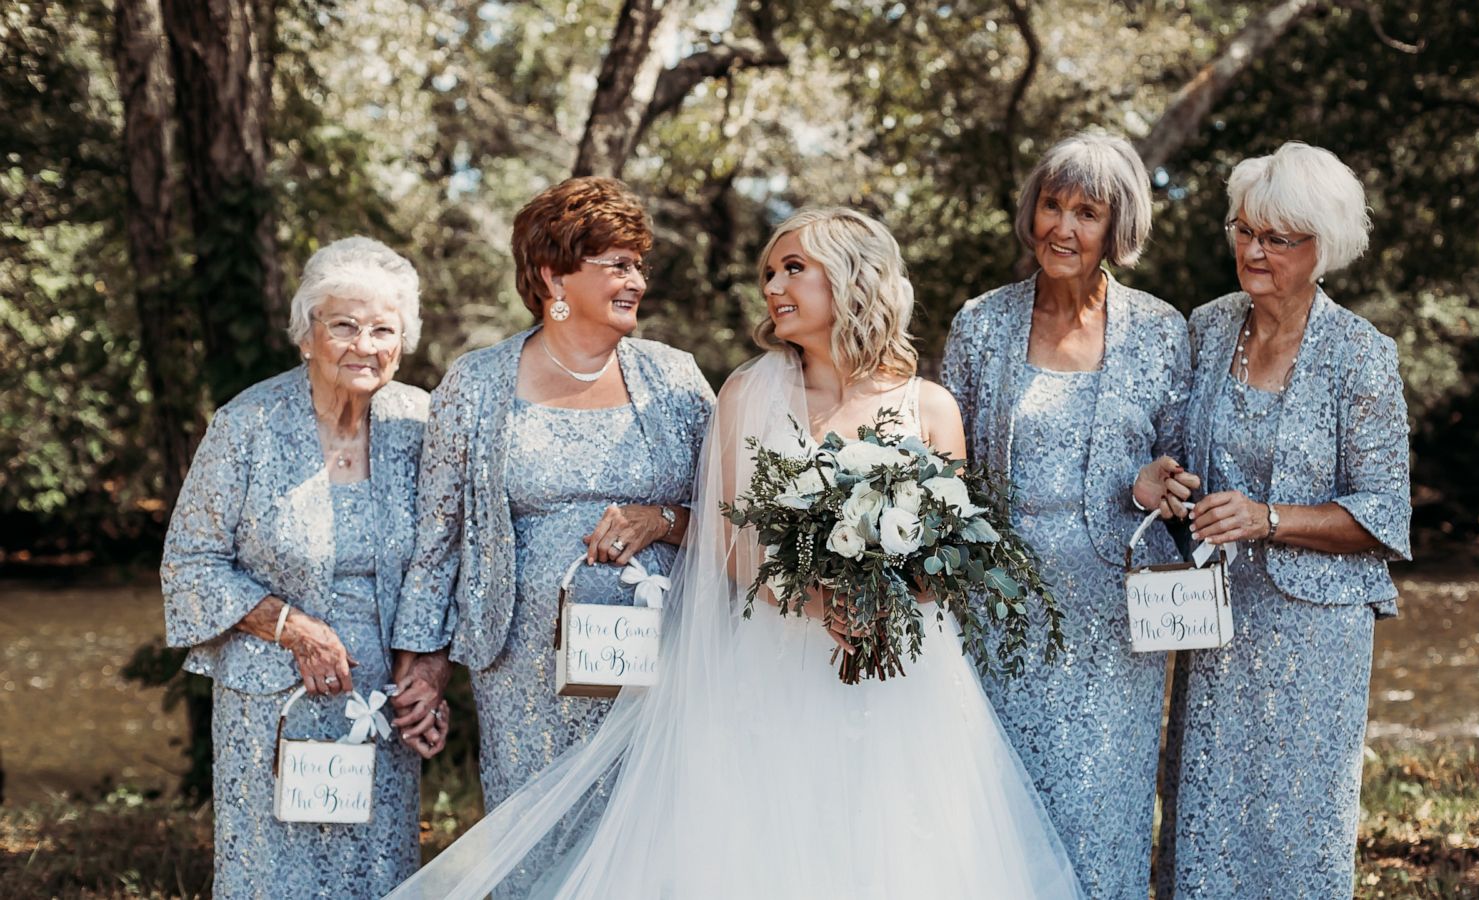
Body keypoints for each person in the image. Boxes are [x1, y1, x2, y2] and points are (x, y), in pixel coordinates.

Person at [384, 208, 1084, 899]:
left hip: (905, 671)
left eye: (793, 269)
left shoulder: (930, 406)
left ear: (852, 277)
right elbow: (728, 536)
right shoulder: (748, 391)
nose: (773, 287)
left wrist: (886, 602)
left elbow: (952, 546)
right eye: (768, 273)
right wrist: (813, 599)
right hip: (773, 659)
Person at [387, 176, 713, 892]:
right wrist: (425, 665)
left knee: (653, 850)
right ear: (551, 274)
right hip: (525, 677)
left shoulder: (676, 378)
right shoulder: (474, 385)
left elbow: (730, 514)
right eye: (617, 265)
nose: (637, 280)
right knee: (536, 854)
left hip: (659, 668)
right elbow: (438, 538)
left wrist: (661, 519)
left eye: (639, 264)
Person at [1153, 142, 1412, 898]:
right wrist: (1165, 480)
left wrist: (1267, 518)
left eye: (1277, 238)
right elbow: (1169, 445)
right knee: (1203, 815)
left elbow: (1382, 514)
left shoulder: (1361, 355)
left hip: (1314, 636)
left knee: (1298, 826)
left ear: (1321, 247)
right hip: (1212, 622)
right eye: (1244, 230)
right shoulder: (1205, 327)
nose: (1253, 251)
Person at [941, 131, 1193, 898]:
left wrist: (1154, 483)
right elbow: (942, 468)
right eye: (1053, 204)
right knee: (996, 808)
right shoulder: (981, 323)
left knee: (1101, 809)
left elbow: (1183, 473)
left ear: (1117, 227)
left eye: (1087, 211)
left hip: (1115, 615)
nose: (1064, 227)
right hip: (997, 607)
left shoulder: (1160, 331)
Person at [161, 236, 433, 897]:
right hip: (271, 700)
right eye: (343, 325)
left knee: (377, 873)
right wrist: (292, 627)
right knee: (273, 878)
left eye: (382, 329)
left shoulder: (422, 423)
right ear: (306, 335)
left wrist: (428, 672)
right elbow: (189, 563)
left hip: (378, 701)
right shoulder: (246, 424)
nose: (363, 345)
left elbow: (443, 560)